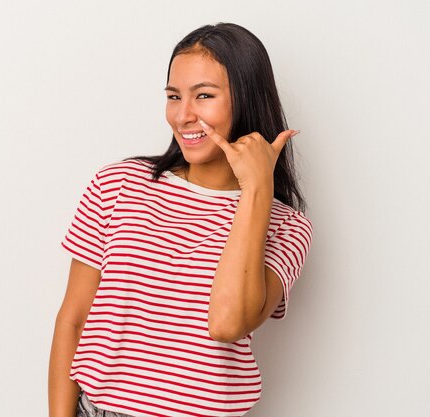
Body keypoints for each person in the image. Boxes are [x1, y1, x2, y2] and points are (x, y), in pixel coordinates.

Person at [48, 22, 314, 417]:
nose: (183, 115)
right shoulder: (118, 184)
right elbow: (74, 319)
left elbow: (227, 323)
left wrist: (256, 190)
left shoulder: (285, 227)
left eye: (203, 96)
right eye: (174, 96)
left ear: (247, 99)